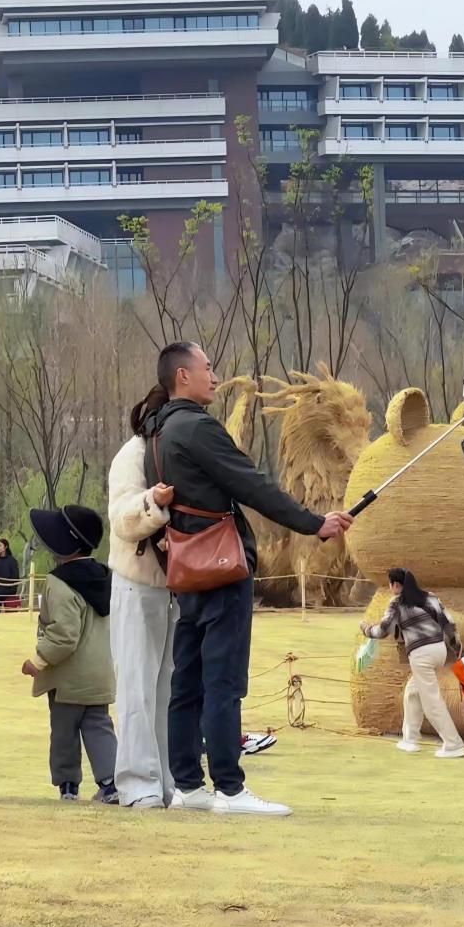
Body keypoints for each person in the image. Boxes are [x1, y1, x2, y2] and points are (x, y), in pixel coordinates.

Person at [144, 341, 352, 816]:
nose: (215, 377)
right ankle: (230, 789)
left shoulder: (156, 436)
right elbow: (252, 485)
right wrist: (314, 523)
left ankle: (189, 786)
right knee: (223, 682)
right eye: (208, 368)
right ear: (182, 377)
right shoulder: (198, 428)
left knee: (188, 682)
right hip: (221, 567)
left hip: (184, 570)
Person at [108, 385, 179, 809]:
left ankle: (166, 781)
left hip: (175, 588)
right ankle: (136, 783)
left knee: (168, 691)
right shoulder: (132, 455)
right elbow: (121, 518)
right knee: (136, 688)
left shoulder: (177, 456)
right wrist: (154, 501)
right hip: (136, 585)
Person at [21, 505, 119, 804]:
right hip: (100, 675)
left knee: (64, 732)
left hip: (67, 680)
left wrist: (37, 661)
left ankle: (68, 786)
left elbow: (64, 635)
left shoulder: (59, 582)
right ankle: (111, 782)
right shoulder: (107, 577)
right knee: (99, 728)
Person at [362, 568, 464, 758]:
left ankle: (453, 744)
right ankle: (410, 739)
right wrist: (455, 645)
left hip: (421, 654)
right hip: (439, 650)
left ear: (395, 585)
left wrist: (366, 629)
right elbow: (448, 622)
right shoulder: (430, 597)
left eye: (390, 584)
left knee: (431, 702)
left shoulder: (397, 603)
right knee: (412, 691)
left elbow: (384, 630)